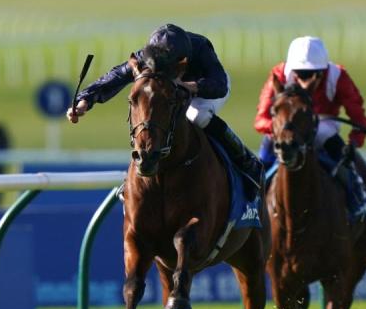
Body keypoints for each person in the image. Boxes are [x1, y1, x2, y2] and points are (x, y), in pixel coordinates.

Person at [67, 23, 263, 193]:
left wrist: (189, 86)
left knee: (197, 115)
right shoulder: (146, 56)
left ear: (183, 61)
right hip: (169, 93)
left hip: (205, 90)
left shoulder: (200, 47)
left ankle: (244, 159)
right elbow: (116, 76)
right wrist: (85, 100)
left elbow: (219, 84)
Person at [254, 36, 366, 219]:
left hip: (324, 125)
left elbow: (359, 119)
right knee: (261, 163)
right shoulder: (279, 74)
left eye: (312, 74)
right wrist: (284, 130)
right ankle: (251, 204)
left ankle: (357, 201)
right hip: (286, 128)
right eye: (300, 74)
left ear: (324, 70)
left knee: (345, 162)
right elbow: (260, 120)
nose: (305, 81)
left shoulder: (338, 76)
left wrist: (354, 143)